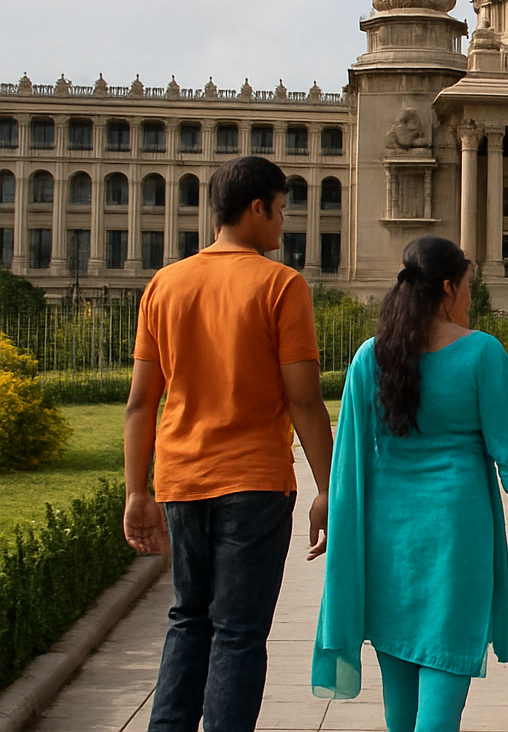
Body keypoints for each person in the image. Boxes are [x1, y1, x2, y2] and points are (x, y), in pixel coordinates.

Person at [123, 156, 335, 732]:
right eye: (281, 209)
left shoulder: (165, 284)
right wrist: (329, 489)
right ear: (256, 208)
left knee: (188, 619)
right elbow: (304, 401)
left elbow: (141, 402)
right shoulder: (280, 285)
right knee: (239, 633)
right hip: (254, 483)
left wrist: (136, 492)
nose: (284, 222)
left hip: (181, 480)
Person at [312, 236, 508, 731]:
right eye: (468, 286)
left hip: (388, 540)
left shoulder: (372, 356)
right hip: (455, 537)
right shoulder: (482, 353)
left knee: (400, 710)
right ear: (447, 287)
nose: (470, 297)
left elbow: (350, 459)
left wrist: (337, 520)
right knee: (442, 690)